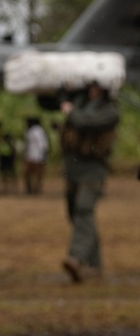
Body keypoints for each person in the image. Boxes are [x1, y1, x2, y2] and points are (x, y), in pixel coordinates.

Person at [59, 81, 120, 283]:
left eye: (98, 88)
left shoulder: (110, 111)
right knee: (76, 214)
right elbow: (50, 103)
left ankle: (76, 258)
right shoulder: (80, 102)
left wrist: (69, 110)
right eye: (91, 87)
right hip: (72, 167)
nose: (94, 91)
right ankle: (95, 266)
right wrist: (62, 93)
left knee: (84, 210)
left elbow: (85, 122)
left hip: (93, 169)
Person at [23, 117, 49, 195]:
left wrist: (43, 155)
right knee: (32, 174)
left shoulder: (36, 130)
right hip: (32, 155)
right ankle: (32, 189)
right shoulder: (32, 131)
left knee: (33, 174)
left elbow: (43, 144)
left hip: (36, 156)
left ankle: (34, 189)